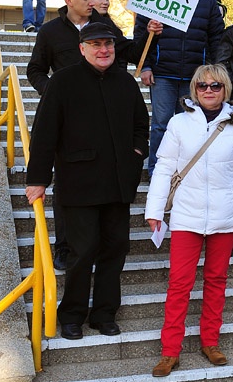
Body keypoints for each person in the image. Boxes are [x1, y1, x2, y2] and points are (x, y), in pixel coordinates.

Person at [26, 0, 160, 270]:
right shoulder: (50, 32)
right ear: (69, 0)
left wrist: (149, 33)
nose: (94, 2)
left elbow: (130, 53)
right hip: (67, 123)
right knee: (68, 187)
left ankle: (98, 246)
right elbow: (35, 69)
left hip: (104, 120)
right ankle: (64, 247)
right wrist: (55, 92)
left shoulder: (105, 26)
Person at [25, 22, 149, 340]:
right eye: (95, 44)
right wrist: (37, 178)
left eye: (108, 44)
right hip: (79, 185)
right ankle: (71, 314)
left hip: (118, 185)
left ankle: (105, 313)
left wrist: (137, 153)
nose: (104, 50)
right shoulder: (63, 82)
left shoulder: (125, 82)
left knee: (115, 249)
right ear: (82, 48)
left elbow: (140, 124)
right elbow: (44, 132)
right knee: (81, 251)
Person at [145, 64, 233, 376]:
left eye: (215, 86)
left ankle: (210, 341)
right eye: (202, 86)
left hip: (225, 216)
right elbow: (163, 168)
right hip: (187, 216)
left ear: (225, 89)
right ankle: (170, 350)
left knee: (216, 280)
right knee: (179, 284)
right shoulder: (178, 123)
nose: (209, 90)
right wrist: (154, 211)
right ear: (194, 90)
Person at [134, 0, 225, 174]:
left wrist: (211, 71)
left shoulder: (207, 1)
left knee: (191, 126)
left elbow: (216, 38)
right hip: (162, 73)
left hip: (196, 76)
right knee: (161, 125)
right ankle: (157, 170)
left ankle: (186, 171)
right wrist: (145, 66)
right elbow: (141, 35)